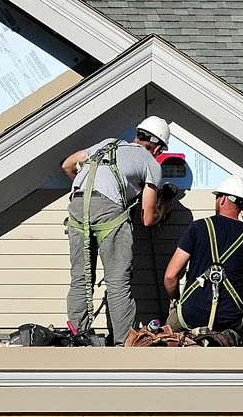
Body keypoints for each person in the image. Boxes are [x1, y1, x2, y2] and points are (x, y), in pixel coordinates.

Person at [61, 115, 172, 345]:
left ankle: (76, 337)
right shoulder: (150, 162)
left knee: (81, 279)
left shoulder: (106, 144)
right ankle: (123, 344)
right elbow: (148, 218)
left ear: (137, 134)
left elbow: (68, 164)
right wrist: (165, 209)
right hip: (108, 211)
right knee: (117, 282)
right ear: (158, 148)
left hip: (76, 206)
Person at [163, 175, 243, 339]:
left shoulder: (198, 228)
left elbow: (170, 276)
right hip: (230, 318)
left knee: (170, 330)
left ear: (223, 199)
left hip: (191, 315)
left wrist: (175, 301)